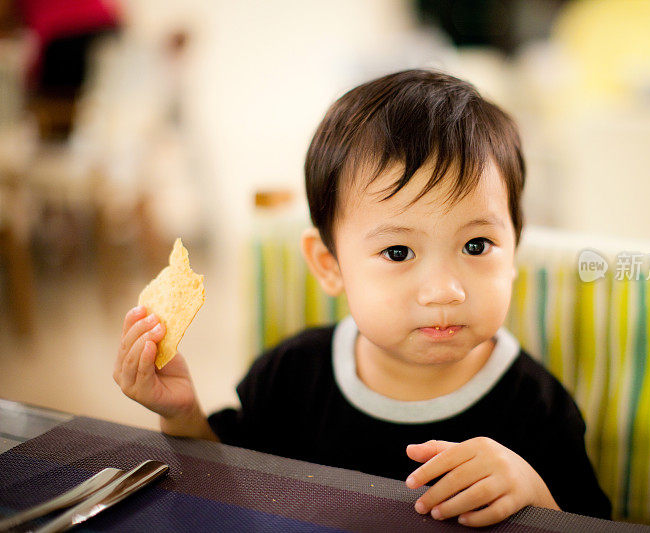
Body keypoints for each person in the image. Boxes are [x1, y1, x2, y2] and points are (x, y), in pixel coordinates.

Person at [113, 69, 612, 526]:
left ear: (515, 250)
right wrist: (181, 413)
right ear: (329, 265)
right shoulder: (292, 376)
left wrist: (533, 494)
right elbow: (222, 490)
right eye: (398, 251)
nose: (444, 291)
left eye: (476, 246)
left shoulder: (536, 405)